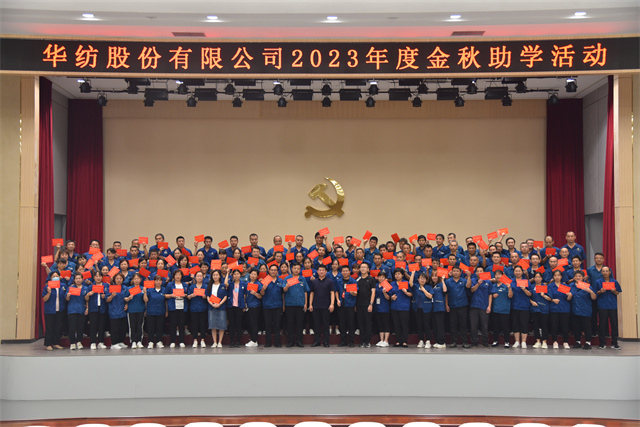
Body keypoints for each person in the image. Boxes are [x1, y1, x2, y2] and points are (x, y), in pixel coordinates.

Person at [593, 266, 621, 350]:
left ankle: (615, 343)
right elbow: (595, 293)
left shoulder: (614, 281)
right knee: (602, 324)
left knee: (614, 325)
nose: (605, 273)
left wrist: (614, 291)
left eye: (607, 271)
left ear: (609, 272)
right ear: (601, 272)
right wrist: (600, 291)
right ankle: (602, 343)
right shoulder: (598, 282)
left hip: (612, 305)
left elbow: (618, 292)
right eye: (603, 271)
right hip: (602, 305)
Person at [308, 264, 335, 347]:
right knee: (316, 325)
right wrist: (310, 304)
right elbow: (312, 293)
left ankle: (326, 342)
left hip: (326, 307)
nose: (321, 272)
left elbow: (332, 293)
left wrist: (332, 304)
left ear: (326, 272)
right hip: (316, 306)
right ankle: (317, 341)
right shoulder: (314, 282)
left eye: (323, 270)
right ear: (317, 271)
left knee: (326, 325)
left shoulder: (330, 281)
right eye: (320, 270)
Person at [283, 263, 309, 348]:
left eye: (298, 268)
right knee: (290, 324)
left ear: (300, 270)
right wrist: (287, 286)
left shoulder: (302, 279)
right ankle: (290, 342)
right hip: (290, 304)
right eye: (294, 268)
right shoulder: (287, 278)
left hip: (300, 304)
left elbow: (305, 291)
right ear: (291, 269)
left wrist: (305, 303)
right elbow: (284, 290)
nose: (296, 270)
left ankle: (299, 341)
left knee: (300, 324)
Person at [569, 270, 597, 349]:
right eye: (576, 276)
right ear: (574, 277)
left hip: (585, 310)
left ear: (583, 277)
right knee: (576, 327)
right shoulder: (570, 286)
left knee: (587, 327)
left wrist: (590, 291)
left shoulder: (587, 286)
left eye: (580, 276)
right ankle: (577, 342)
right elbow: (567, 298)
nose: (578, 277)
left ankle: (588, 342)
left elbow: (594, 298)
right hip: (574, 310)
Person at [445, 266, 471, 348]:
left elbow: (468, 286)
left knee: (463, 325)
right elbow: (446, 294)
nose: (455, 272)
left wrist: (469, 276)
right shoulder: (448, 281)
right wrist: (446, 304)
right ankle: (453, 341)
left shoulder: (464, 280)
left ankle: (464, 342)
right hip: (452, 305)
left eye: (457, 271)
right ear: (452, 272)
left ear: (460, 272)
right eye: (454, 271)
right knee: (453, 325)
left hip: (462, 305)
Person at [261, 264, 284, 347]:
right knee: (268, 325)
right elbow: (261, 294)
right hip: (267, 306)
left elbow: (283, 293)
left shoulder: (281, 280)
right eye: (271, 270)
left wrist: (283, 304)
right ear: (269, 271)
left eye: (275, 270)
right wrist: (263, 288)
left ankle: (277, 342)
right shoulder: (265, 280)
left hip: (278, 305)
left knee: (277, 325)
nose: (273, 271)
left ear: (277, 271)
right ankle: (268, 342)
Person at [548, 269, 572, 349]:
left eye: (558, 275)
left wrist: (569, 296)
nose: (557, 277)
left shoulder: (565, 286)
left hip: (564, 308)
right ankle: (555, 341)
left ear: (561, 276)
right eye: (555, 275)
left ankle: (565, 341)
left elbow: (568, 299)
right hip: (554, 308)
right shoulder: (550, 286)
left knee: (565, 326)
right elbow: (549, 296)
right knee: (554, 326)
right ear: (553, 277)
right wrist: (553, 300)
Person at [510, 265, 534, 349]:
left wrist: (524, 289)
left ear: (522, 272)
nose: (517, 272)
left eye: (519, 271)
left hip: (524, 306)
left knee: (524, 324)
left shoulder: (526, 281)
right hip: (514, 306)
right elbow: (510, 295)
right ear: (514, 272)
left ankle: (523, 342)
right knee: (515, 324)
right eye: (516, 271)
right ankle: (517, 341)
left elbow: (530, 294)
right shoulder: (511, 282)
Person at [468, 266, 492, 348]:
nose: (479, 272)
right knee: (473, 326)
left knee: (484, 326)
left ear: (484, 272)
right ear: (475, 273)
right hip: (474, 305)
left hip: (484, 306)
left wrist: (489, 306)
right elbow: (471, 290)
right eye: (477, 271)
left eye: (481, 271)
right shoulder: (473, 280)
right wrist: (478, 284)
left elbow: (490, 294)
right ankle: (474, 342)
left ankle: (485, 343)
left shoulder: (488, 282)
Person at [165, 269, 188, 348]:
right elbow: (165, 295)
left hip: (182, 306)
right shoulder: (170, 285)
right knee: (173, 325)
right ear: (174, 276)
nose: (178, 276)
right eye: (176, 275)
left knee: (181, 325)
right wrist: (171, 295)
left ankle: (181, 341)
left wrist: (185, 295)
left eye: (179, 275)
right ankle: (172, 341)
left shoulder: (184, 285)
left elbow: (187, 294)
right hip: (173, 307)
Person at [42, 272, 66, 350]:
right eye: (53, 276)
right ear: (51, 278)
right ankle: (48, 344)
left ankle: (56, 343)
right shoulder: (47, 287)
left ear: (59, 277)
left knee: (58, 327)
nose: (55, 277)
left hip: (60, 310)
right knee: (49, 327)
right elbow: (44, 299)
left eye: (57, 276)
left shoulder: (63, 286)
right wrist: (49, 293)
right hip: (50, 310)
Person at [389, 268, 412, 347]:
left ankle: (404, 341)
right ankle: (398, 341)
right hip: (394, 307)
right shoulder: (392, 283)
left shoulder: (406, 283)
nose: (397, 275)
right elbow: (389, 294)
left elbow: (411, 294)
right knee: (396, 325)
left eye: (399, 274)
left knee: (404, 324)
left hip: (404, 307)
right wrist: (391, 297)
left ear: (402, 275)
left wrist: (406, 292)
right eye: (396, 274)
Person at [336, 264, 357, 347]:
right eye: (343, 271)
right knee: (342, 323)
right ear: (341, 272)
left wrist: (352, 292)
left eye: (346, 271)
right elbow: (336, 291)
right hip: (341, 304)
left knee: (351, 324)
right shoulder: (339, 281)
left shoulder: (353, 281)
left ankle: (351, 341)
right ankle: (343, 341)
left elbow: (356, 293)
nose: (345, 272)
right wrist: (337, 300)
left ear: (349, 272)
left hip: (350, 305)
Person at [85, 270, 108, 349]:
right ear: (94, 277)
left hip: (102, 308)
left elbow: (108, 296)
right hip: (93, 308)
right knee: (93, 326)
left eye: (100, 276)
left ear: (102, 277)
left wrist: (105, 296)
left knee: (102, 326)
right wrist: (88, 294)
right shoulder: (90, 287)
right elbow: (86, 299)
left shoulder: (106, 285)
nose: (98, 278)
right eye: (96, 276)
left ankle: (101, 342)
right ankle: (93, 342)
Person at [490, 270, 513, 347]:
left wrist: (509, 288)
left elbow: (510, 296)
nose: (498, 276)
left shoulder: (506, 285)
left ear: (503, 276)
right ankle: (495, 341)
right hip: (495, 309)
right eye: (496, 275)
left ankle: (507, 341)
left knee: (505, 326)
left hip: (504, 309)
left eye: (499, 274)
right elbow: (489, 296)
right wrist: (492, 296)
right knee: (495, 326)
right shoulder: (493, 286)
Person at [356, 262, 376, 347]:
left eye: (365, 267)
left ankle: (367, 341)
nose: (363, 269)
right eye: (361, 267)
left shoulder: (371, 279)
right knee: (361, 323)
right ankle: (362, 340)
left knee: (367, 323)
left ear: (368, 269)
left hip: (368, 304)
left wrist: (371, 304)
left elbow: (373, 292)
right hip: (359, 304)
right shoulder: (357, 280)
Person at [226, 269, 248, 348]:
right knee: (231, 324)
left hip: (239, 306)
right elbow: (225, 283)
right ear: (233, 275)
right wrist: (228, 273)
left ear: (240, 275)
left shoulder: (243, 284)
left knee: (239, 324)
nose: (236, 275)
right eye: (234, 274)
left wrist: (244, 304)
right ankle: (232, 341)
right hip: (231, 306)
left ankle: (238, 341)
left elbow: (245, 295)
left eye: (237, 274)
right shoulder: (230, 284)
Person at [66, 273, 88, 350]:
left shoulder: (85, 288)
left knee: (80, 327)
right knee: (72, 327)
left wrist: (87, 308)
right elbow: (67, 299)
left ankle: (79, 342)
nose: (78, 280)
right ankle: (72, 343)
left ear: (82, 279)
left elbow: (87, 300)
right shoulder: (71, 288)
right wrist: (68, 296)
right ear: (74, 280)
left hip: (81, 309)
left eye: (79, 278)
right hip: (72, 310)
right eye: (76, 278)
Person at [411, 271, 433, 348]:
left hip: (426, 309)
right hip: (417, 309)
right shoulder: (416, 286)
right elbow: (410, 283)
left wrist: (423, 290)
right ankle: (421, 340)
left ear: (426, 280)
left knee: (426, 325)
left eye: (424, 279)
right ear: (418, 279)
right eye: (421, 278)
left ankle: (428, 341)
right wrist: (412, 273)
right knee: (419, 325)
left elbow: (430, 296)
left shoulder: (428, 287)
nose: (422, 280)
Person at [530, 271, 551, 349]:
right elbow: (528, 296)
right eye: (536, 277)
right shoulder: (532, 286)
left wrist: (544, 296)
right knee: (536, 326)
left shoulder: (545, 287)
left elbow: (550, 298)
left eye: (539, 277)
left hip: (544, 308)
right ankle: (538, 341)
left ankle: (544, 341)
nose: (537, 279)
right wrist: (531, 302)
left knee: (544, 325)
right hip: (535, 309)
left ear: (542, 278)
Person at [144, 275, 167, 348]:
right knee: (151, 328)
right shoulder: (150, 290)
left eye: (160, 280)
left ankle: (159, 341)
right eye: (156, 280)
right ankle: (150, 342)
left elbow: (166, 301)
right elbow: (146, 300)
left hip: (161, 311)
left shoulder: (164, 290)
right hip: (151, 311)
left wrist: (166, 311)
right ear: (154, 281)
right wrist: (145, 292)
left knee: (159, 327)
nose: (158, 282)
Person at [207, 270, 228, 348]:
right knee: (213, 325)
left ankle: (220, 342)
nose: (215, 276)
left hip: (221, 307)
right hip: (211, 307)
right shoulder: (210, 285)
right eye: (214, 275)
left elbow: (225, 296)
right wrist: (212, 304)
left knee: (222, 325)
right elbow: (208, 296)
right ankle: (215, 342)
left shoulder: (223, 285)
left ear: (219, 276)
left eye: (216, 275)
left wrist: (220, 304)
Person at [188, 271, 209, 348]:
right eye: (198, 276)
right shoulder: (192, 287)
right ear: (195, 277)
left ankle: (203, 340)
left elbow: (209, 296)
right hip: (194, 308)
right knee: (195, 325)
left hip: (203, 308)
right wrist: (191, 295)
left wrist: (205, 297)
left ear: (203, 277)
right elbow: (188, 297)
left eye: (201, 276)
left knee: (203, 324)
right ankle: (195, 340)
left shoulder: (206, 286)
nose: (199, 277)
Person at [106, 273, 128, 350]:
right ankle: (114, 343)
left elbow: (127, 298)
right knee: (115, 328)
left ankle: (120, 341)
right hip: (114, 311)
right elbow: (107, 300)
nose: (119, 280)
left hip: (123, 311)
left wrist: (127, 304)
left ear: (123, 280)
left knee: (123, 328)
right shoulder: (111, 288)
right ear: (114, 280)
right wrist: (112, 295)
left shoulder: (125, 288)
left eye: (120, 278)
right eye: (117, 278)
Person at [124, 273, 145, 348]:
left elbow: (145, 300)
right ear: (132, 280)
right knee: (132, 326)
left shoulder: (143, 288)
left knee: (140, 326)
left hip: (141, 309)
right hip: (131, 310)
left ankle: (139, 341)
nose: (136, 280)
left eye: (138, 279)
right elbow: (125, 298)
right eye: (135, 279)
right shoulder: (129, 288)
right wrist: (129, 298)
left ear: (140, 279)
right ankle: (133, 341)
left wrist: (145, 292)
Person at [245, 269, 263, 347]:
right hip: (248, 306)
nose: (253, 275)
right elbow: (245, 294)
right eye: (252, 274)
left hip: (255, 306)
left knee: (254, 324)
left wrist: (255, 293)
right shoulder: (247, 283)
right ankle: (252, 338)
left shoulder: (258, 284)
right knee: (248, 323)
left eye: (255, 274)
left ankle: (254, 340)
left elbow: (261, 296)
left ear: (257, 276)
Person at [374, 271, 391, 347]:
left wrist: (384, 292)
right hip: (377, 307)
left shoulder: (387, 285)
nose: (381, 278)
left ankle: (386, 340)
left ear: (385, 278)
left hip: (385, 307)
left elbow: (388, 298)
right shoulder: (375, 285)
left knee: (386, 324)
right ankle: (381, 340)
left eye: (383, 277)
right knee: (380, 324)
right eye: (380, 277)